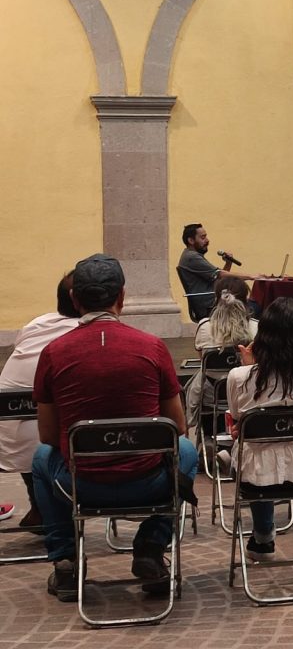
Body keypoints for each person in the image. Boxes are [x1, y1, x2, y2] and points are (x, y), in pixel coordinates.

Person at [31, 254, 199, 602]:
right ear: (122, 297)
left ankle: (64, 562)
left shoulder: (53, 352)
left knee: (40, 456)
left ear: (75, 300)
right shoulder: (153, 347)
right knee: (186, 450)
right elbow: (178, 426)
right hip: (147, 481)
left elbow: (48, 436)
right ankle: (152, 545)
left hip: (79, 484)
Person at [226, 297, 293, 561]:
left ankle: (263, 536)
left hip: (257, 476)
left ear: (262, 336)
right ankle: (264, 537)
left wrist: (248, 367)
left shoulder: (240, 376)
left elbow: (237, 415)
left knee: (254, 447)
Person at [0, 272, 80, 530]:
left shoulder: (36, 324)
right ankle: (54, 512)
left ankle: (39, 507)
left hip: (6, 433)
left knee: (31, 427)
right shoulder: (84, 334)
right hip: (55, 442)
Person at [184, 275, 259, 431]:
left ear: (217, 299)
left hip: (213, 395)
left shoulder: (204, 326)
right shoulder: (256, 328)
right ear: (245, 300)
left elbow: (203, 361)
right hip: (245, 395)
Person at [177, 223, 258, 319]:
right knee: (256, 307)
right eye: (203, 238)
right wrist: (251, 276)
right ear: (191, 240)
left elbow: (219, 280)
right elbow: (220, 274)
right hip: (210, 306)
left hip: (214, 301)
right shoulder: (191, 257)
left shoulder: (191, 255)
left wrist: (228, 263)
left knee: (252, 304)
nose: (207, 240)